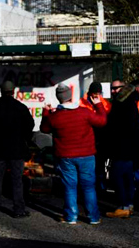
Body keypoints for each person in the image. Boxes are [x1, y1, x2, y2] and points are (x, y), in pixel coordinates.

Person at [40, 83, 107, 225]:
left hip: (66, 157)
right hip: (87, 155)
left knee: (70, 187)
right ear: (71, 97)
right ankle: (93, 217)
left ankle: (71, 217)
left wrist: (46, 112)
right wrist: (98, 105)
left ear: (59, 98)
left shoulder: (55, 117)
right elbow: (102, 121)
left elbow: (44, 128)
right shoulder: (84, 112)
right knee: (88, 187)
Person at [0, 81, 34, 218]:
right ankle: (18, 209)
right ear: (13, 91)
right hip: (16, 149)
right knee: (17, 180)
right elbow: (30, 126)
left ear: (1, 91)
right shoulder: (20, 107)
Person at [104, 80, 139, 218]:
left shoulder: (121, 104)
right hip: (131, 149)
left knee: (117, 177)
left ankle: (123, 206)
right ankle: (129, 205)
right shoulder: (131, 102)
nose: (113, 91)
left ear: (123, 88)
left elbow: (115, 127)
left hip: (121, 148)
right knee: (128, 178)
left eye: (115, 88)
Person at [79, 82, 112, 193]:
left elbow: (106, 120)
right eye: (94, 93)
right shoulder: (82, 103)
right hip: (87, 138)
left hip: (101, 138)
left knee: (100, 163)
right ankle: (89, 185)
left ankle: (101, 185)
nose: (96, 95)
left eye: (98, 93)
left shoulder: (105, 104)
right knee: (88, 165)